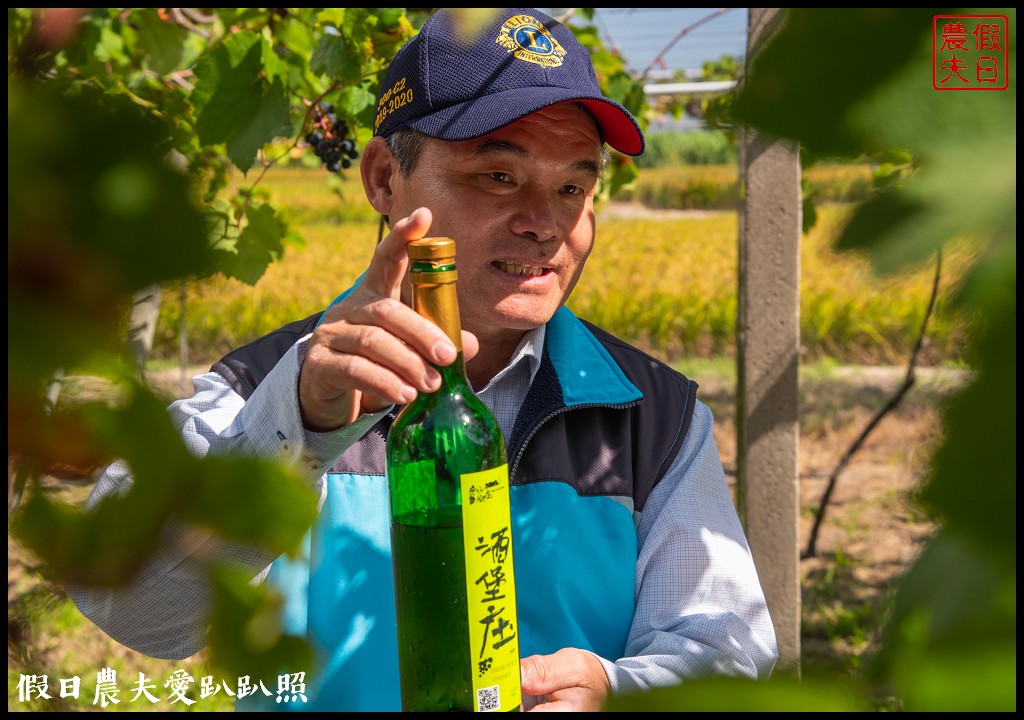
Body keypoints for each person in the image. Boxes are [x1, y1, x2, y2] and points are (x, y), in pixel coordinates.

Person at [69, 7, 777, 712]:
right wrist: (300, 428)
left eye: (572, 188)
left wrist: (616, 692)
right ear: (382, 178)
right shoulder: (264, 389)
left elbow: (724, 645)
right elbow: (126, 604)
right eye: (498, 176)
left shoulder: (651, 416)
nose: (544, 223)